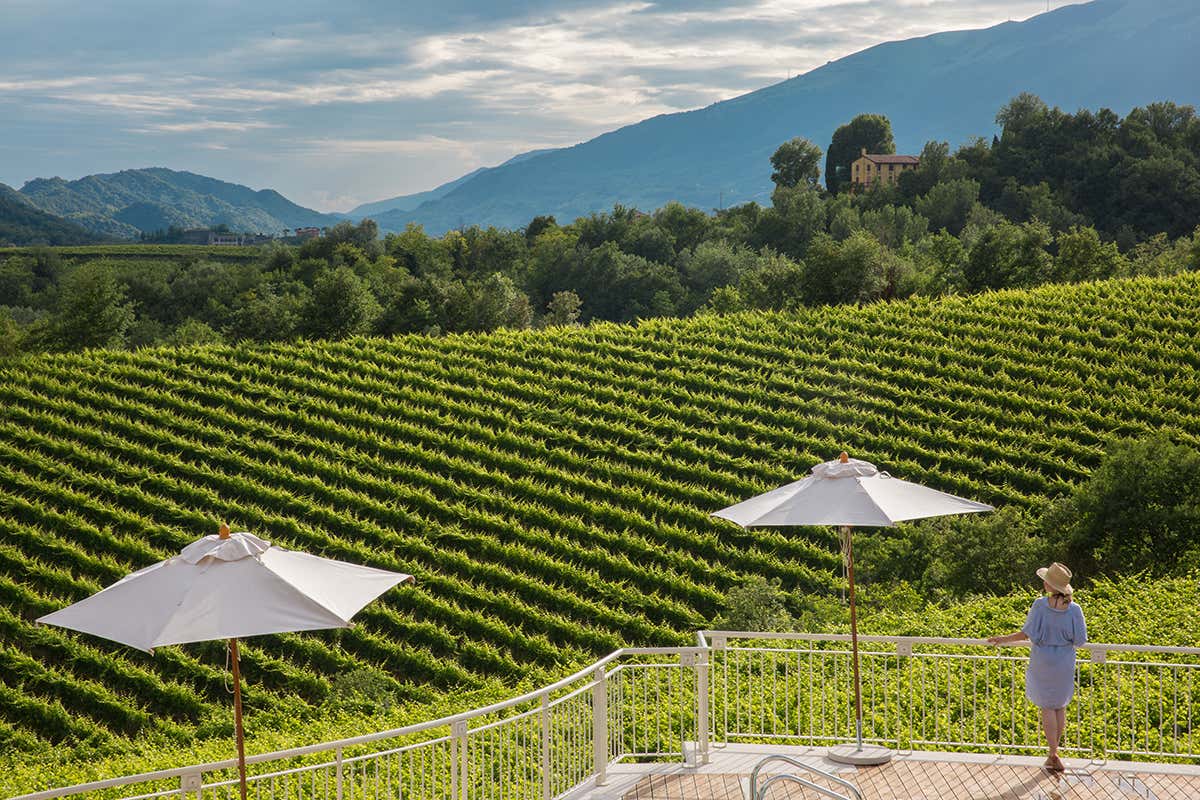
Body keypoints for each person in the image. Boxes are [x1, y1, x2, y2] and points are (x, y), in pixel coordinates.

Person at [987, 562, 1087, 771]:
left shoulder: (1040, 605)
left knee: (1047, 707)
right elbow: (1080, 640)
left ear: (1050, 585)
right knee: (1059, 706)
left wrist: (1002, 639)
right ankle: (1054, 752)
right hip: (1065, 661)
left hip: (1043, 659)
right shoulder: (1075, 609)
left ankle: (1053, 753)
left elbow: (1027, 633)